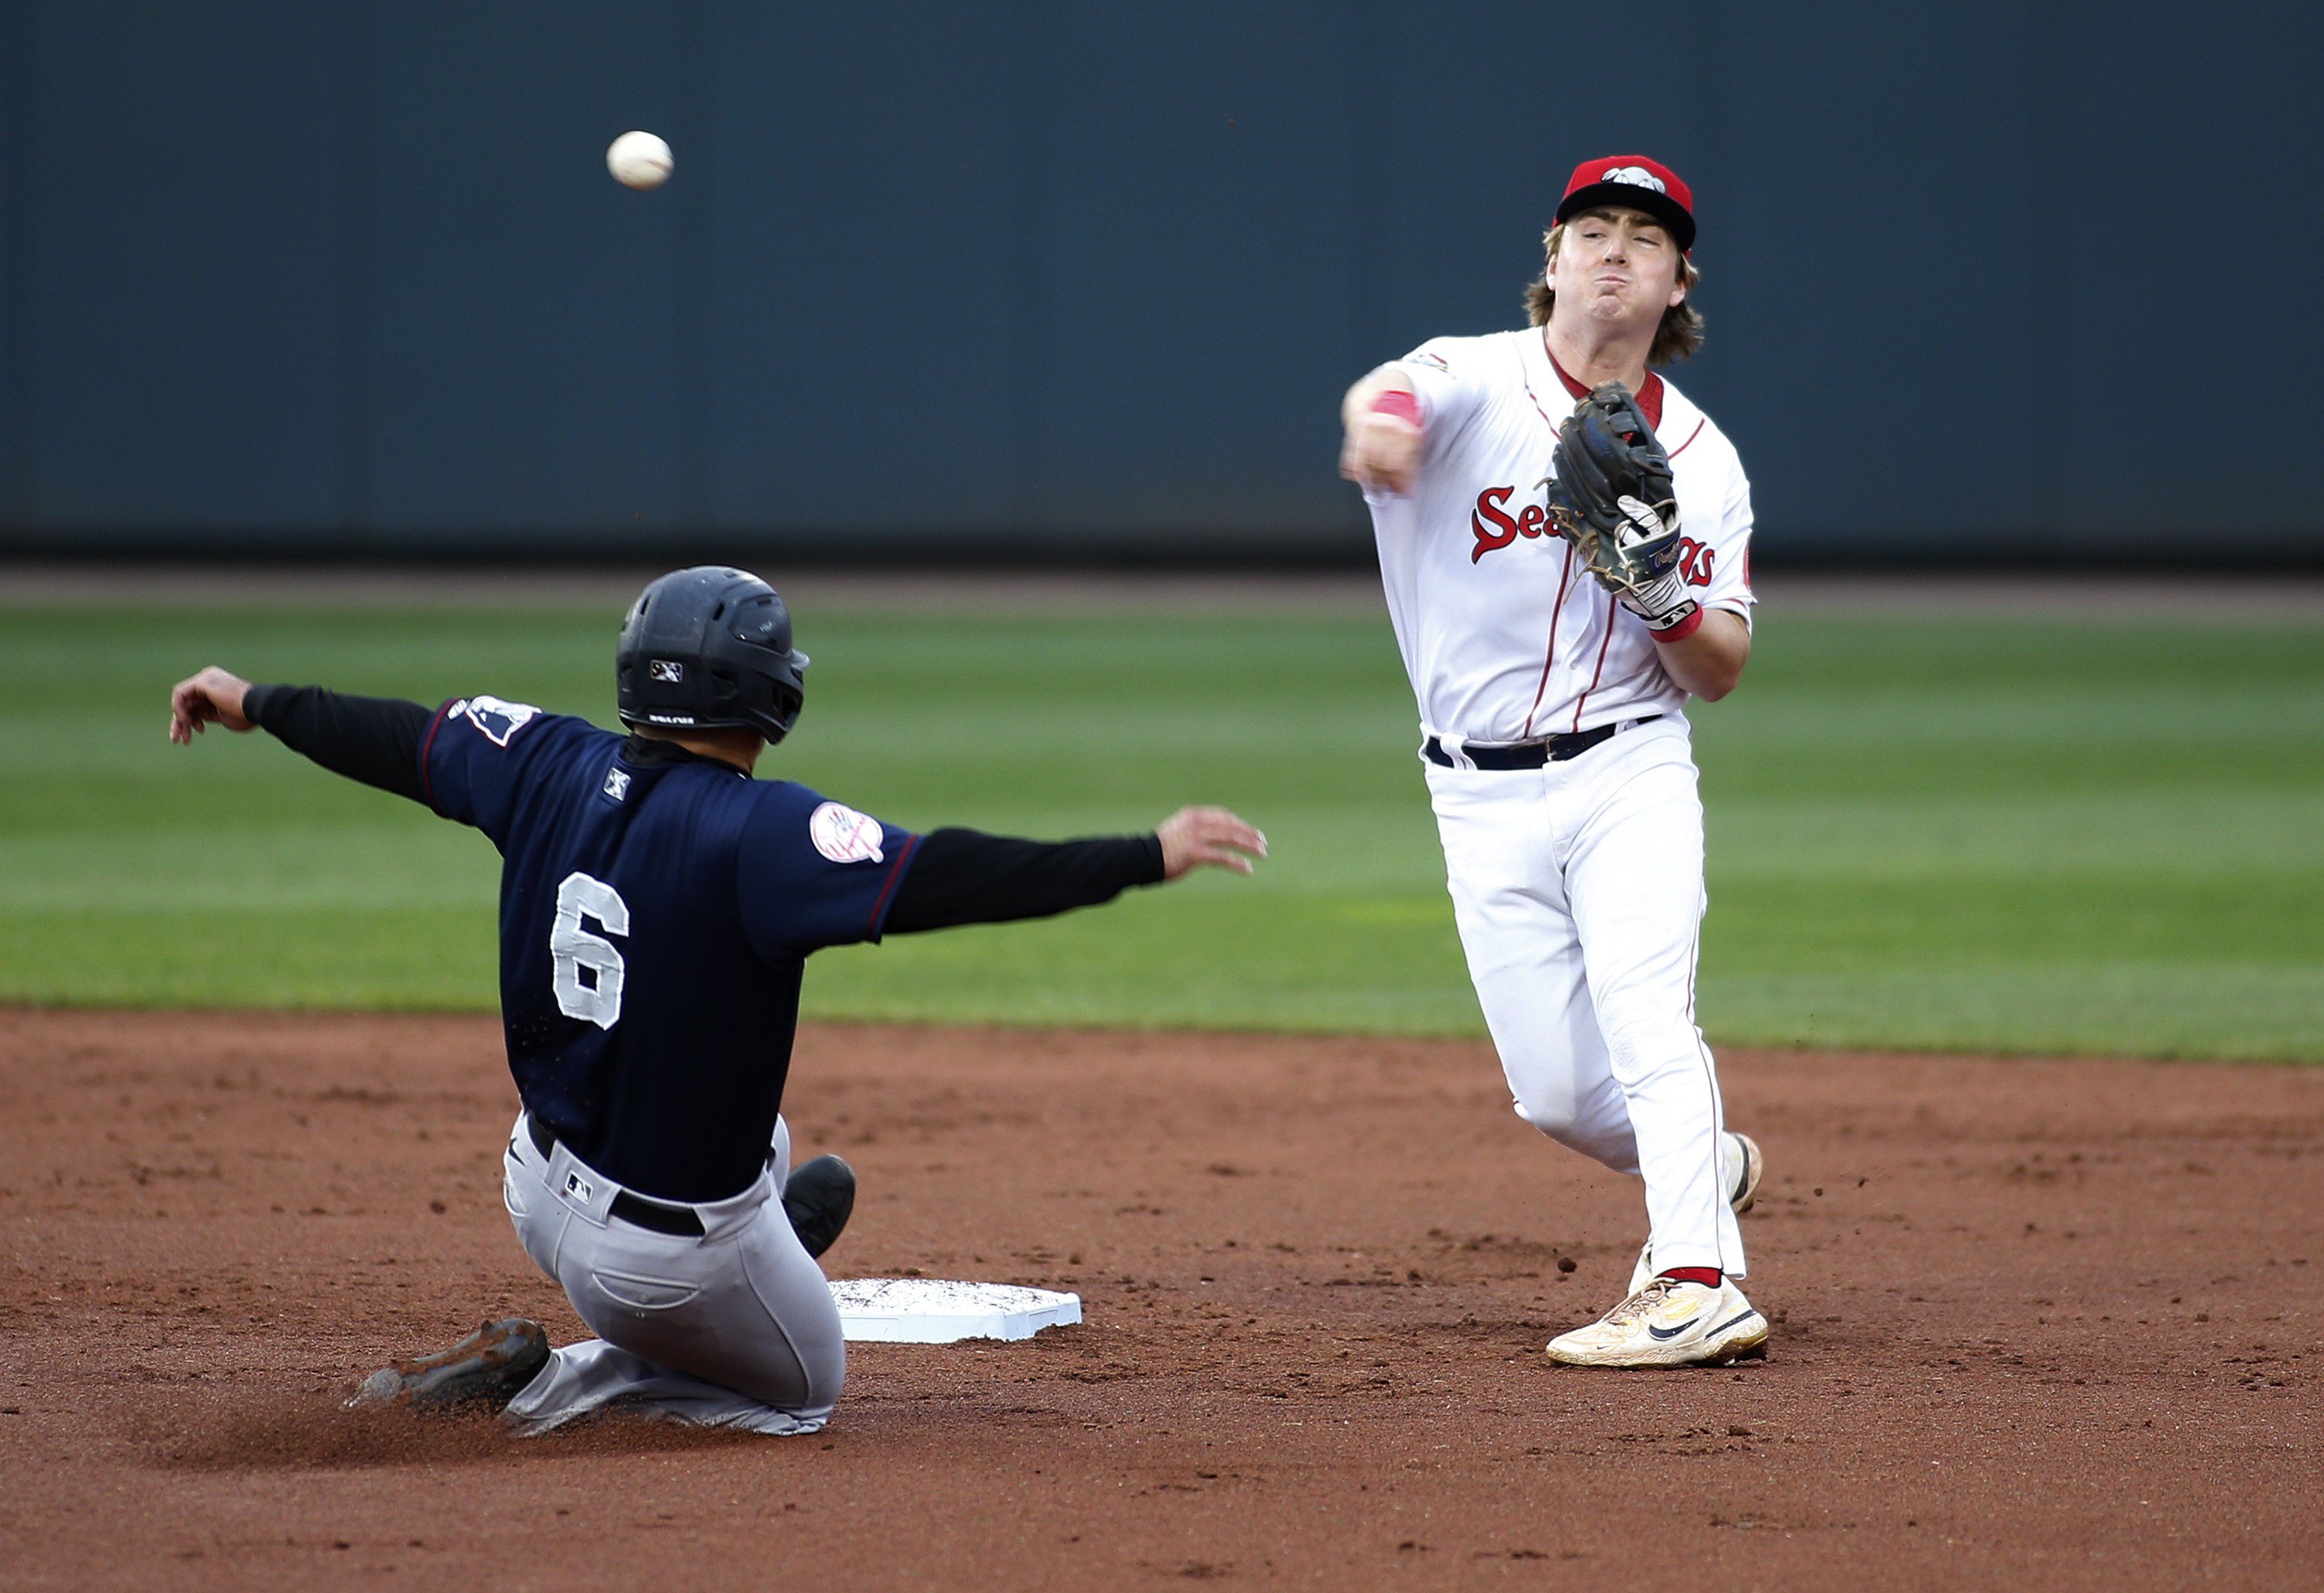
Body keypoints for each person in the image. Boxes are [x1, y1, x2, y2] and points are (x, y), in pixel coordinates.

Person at [167, 566, 1266, 1432]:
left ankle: (738, 1263)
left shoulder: (544, 758)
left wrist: (255, 699)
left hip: (533, 1181)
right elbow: (945, 877)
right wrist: (1141, 854)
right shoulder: (762, 833)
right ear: (769, 691)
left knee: (768, 1137)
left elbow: (399, 740)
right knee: (804, 1390)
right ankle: (544, 1390)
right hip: (658, 1260)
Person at [1336, 156, 1767, 1368]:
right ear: (1554, 258)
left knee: (1648, 1017)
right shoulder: (1472, 376)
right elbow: (1394, 400)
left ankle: (1696, 1283)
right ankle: (1708, 1166)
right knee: (1562, 1097)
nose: (1616, 250)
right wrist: (1382, 431)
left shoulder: (1708, 458)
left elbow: (1721, 666)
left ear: (1679, 278)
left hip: (1628, 770)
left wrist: (1658, 589)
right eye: (1594, 229)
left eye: (1645, 235)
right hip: (1471, 793)